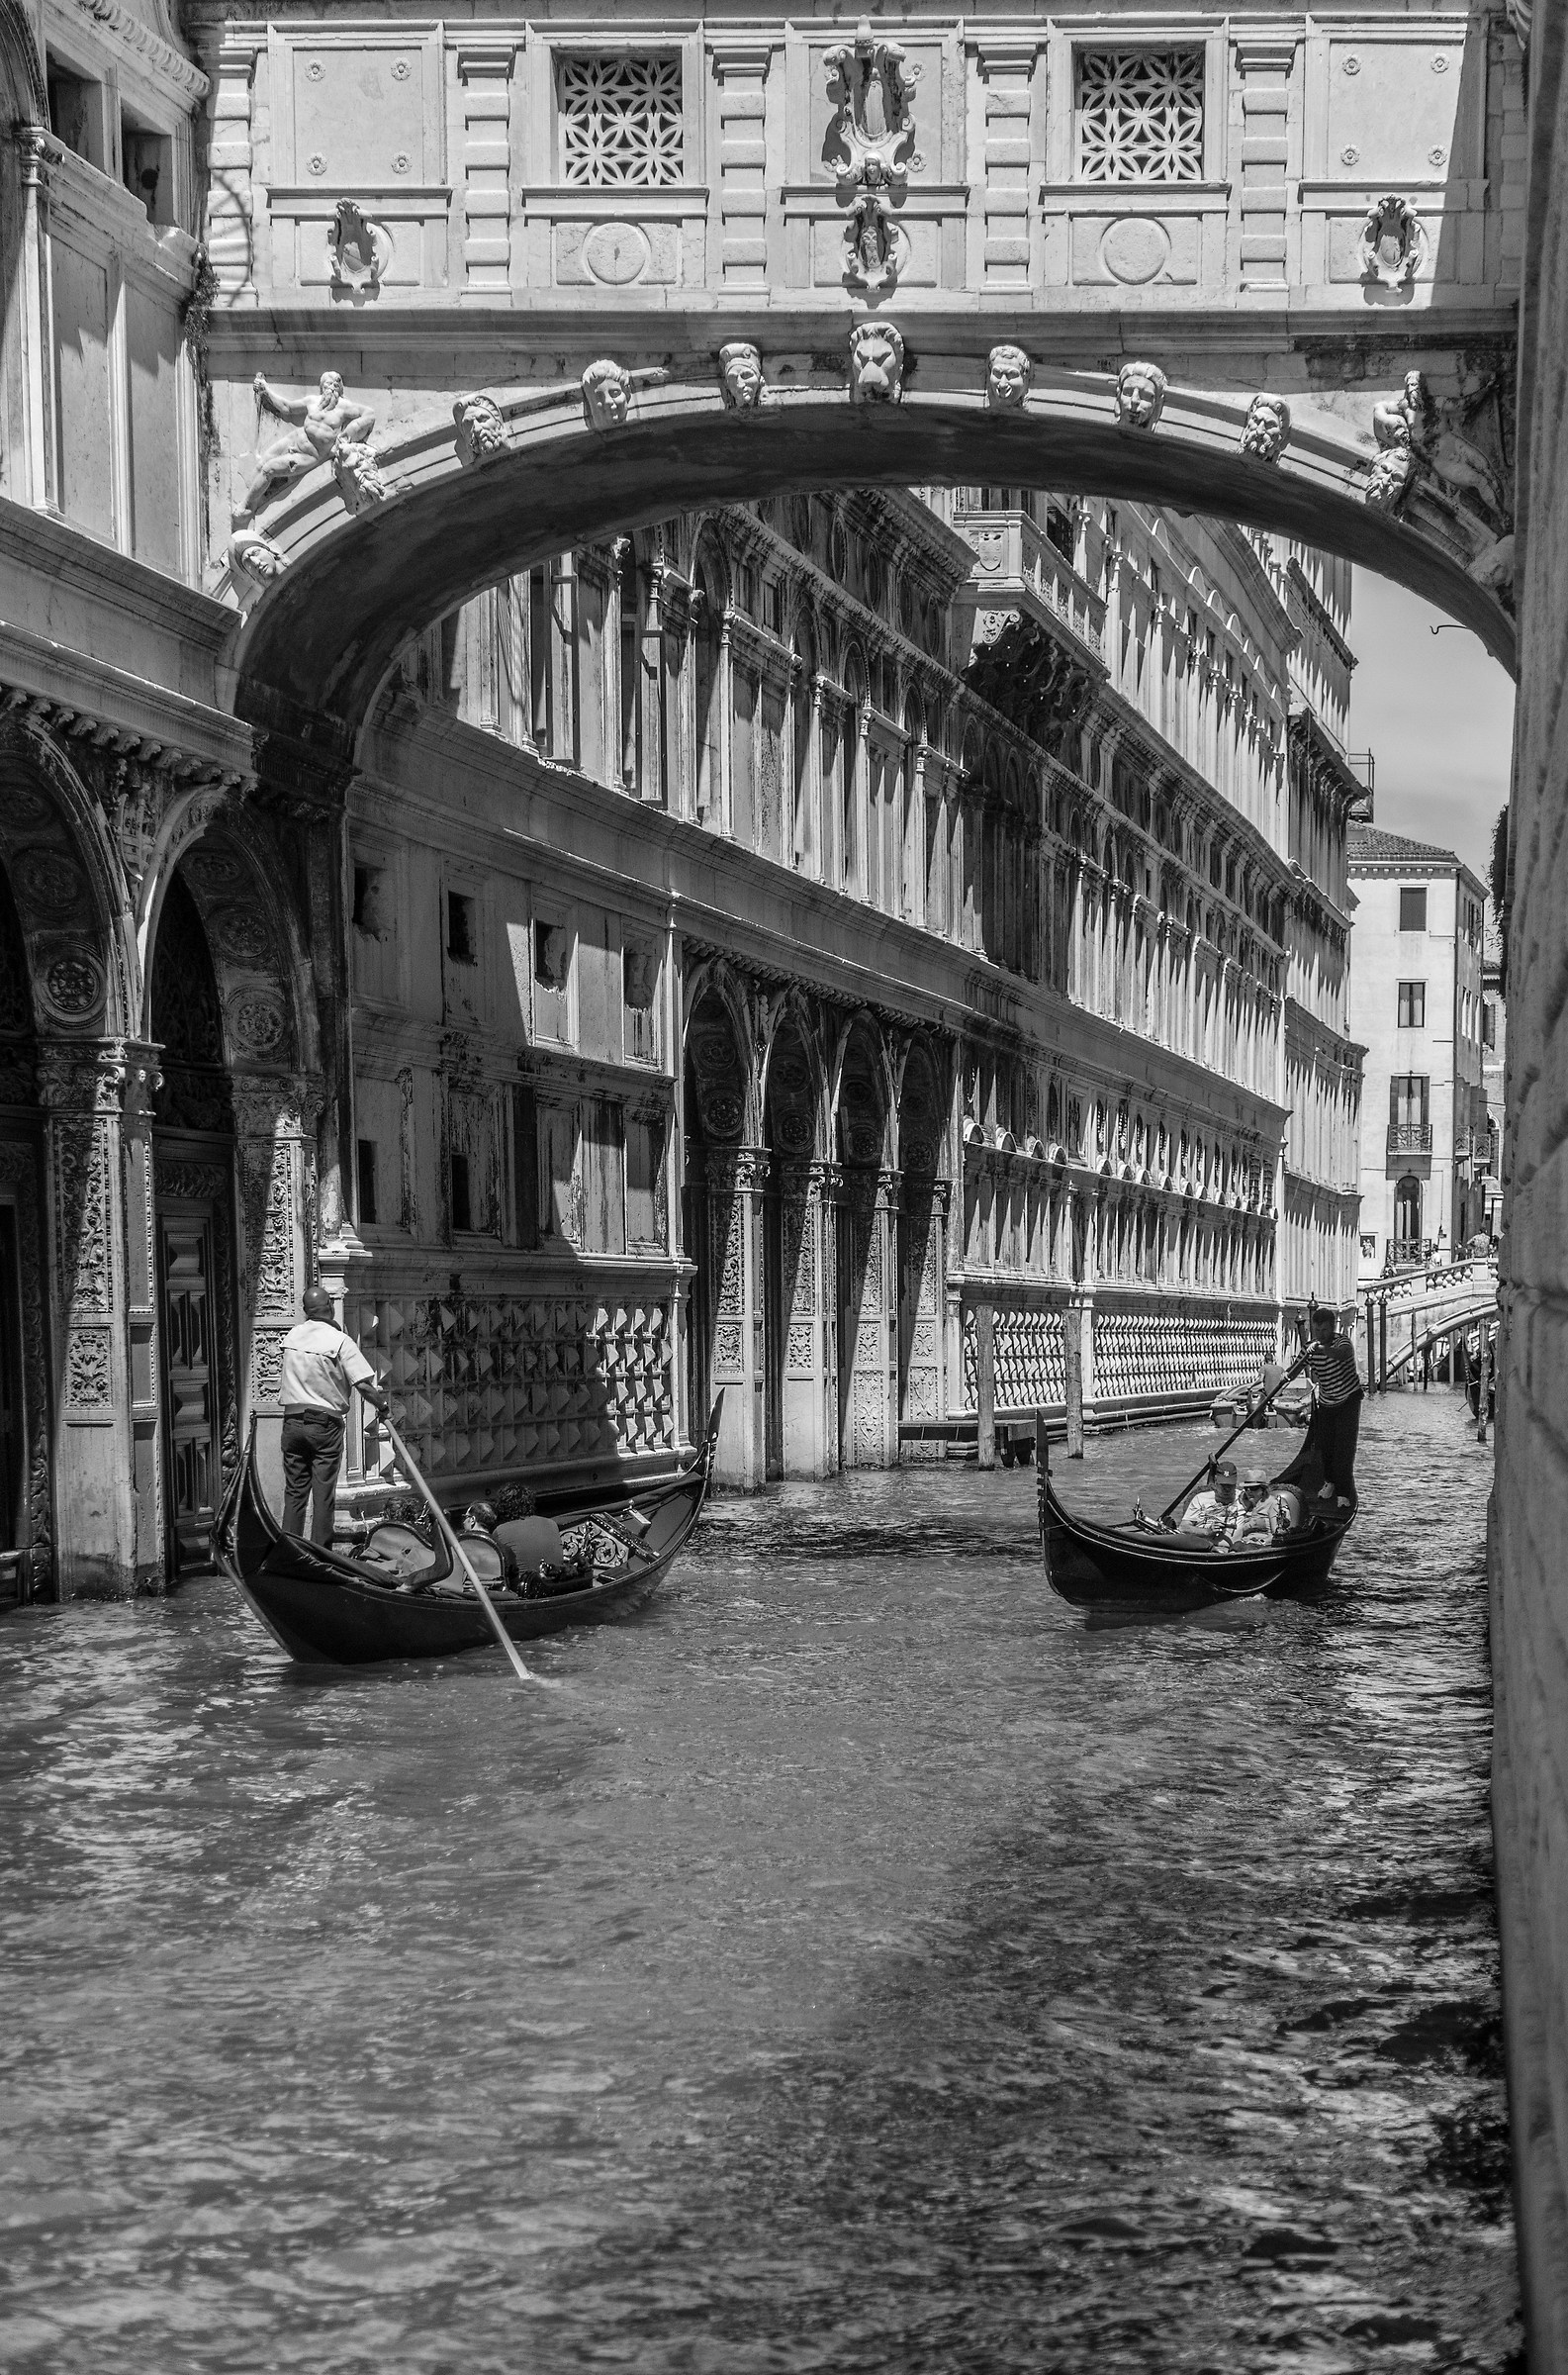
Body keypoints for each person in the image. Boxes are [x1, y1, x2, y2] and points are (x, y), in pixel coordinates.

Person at [279, 1285, 388, 1546]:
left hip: (292, 1423)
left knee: (295, 1492)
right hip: (323, 1426)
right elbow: (362, 1385)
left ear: (305, 1311)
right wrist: (382, 1407)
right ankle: (320, 1553)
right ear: (330, 1306)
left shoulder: (292, 1336)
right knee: (323, 1494)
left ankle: (288, 1551)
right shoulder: (339, 1341)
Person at [1303, 1306, 1362, 1509]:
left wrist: (1319, 1348)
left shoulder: (1342, 1342)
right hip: (1327, 1401)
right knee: (1325, 1447)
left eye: (1325, 1330)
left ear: (1333, 1327)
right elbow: (1297, 1371)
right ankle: (1330, 1482)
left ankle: (1344, 1494)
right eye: (1317, 1331)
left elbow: (1341, 1354)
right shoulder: (1309, 1347)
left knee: (1344, 1449)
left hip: (1349, 1400)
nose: (1321, 1335)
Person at [1177, 1460, 1239, 1540]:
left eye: (1230, 1485)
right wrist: (1207, 1531)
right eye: (1223, 1485)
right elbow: (1183, 1527)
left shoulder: (1245, 1497)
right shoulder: (1200, 1499)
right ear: (1216, 1481)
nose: (1226, 1489)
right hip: (1203, 1546)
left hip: (1234, 1549)